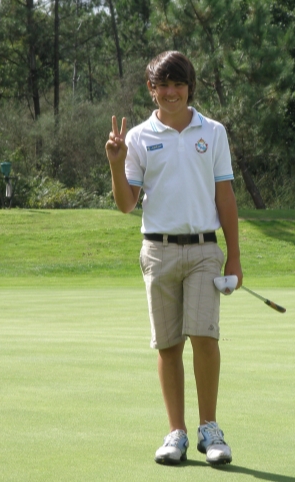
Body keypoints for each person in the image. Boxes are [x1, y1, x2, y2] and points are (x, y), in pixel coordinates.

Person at [104, 50, 243, 466]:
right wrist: (115, 163)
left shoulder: (213, 132)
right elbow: (127, 204)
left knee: (204, 337)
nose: (170, 92)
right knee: (168, 347)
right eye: (162, 85)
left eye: (178, 84)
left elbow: (225, 197)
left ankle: (210, 430)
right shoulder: (139, 138)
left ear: (189, 87)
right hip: (157, 250)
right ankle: (176, 433)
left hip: (203, 249)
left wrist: (234, 257)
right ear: (151, 88)